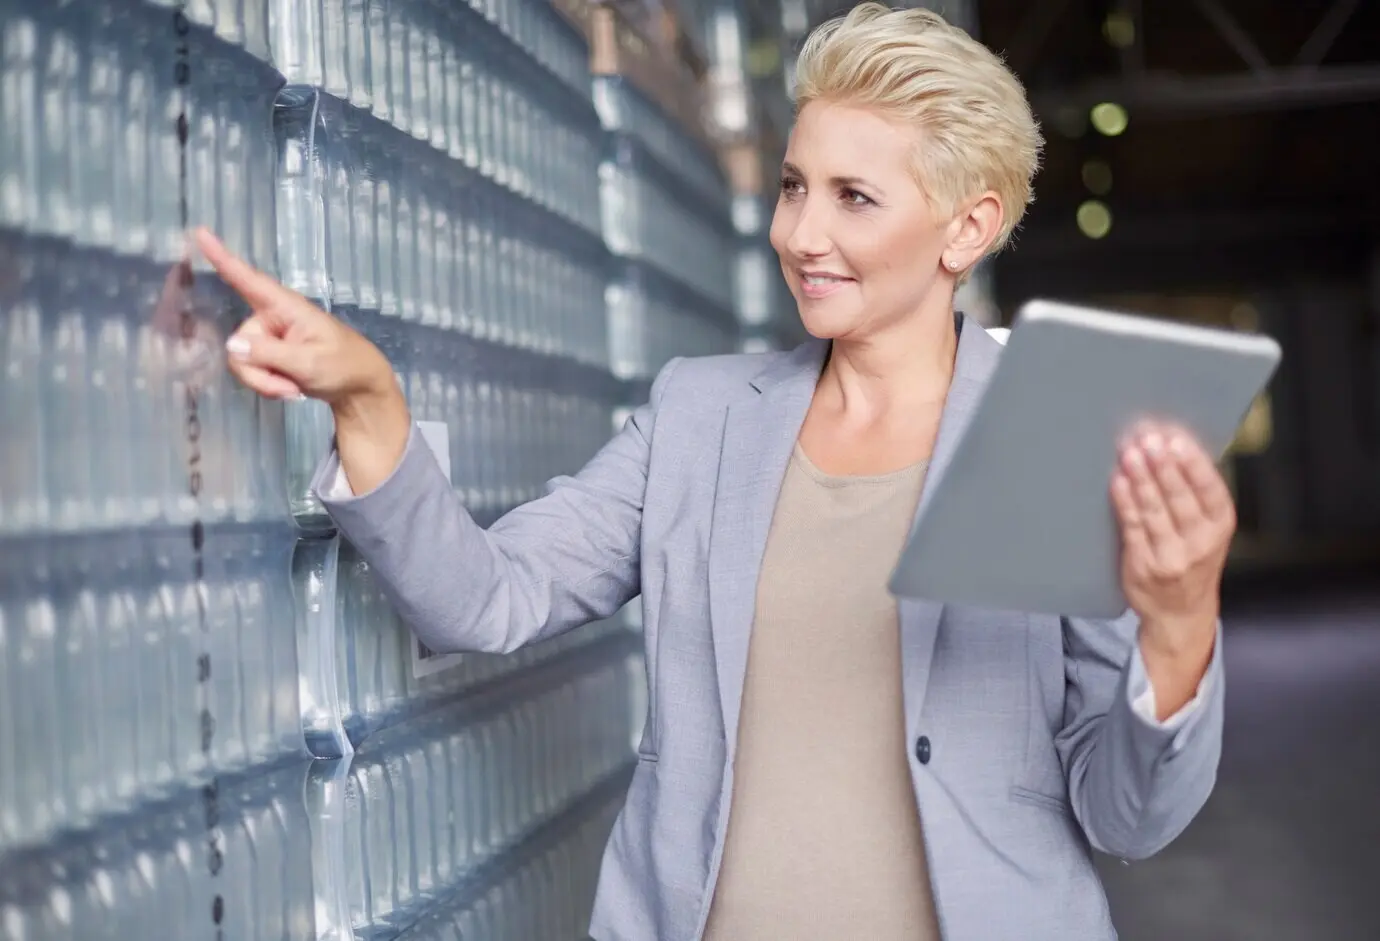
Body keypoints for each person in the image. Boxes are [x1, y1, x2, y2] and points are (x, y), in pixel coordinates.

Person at [201, 4, 1231, 939]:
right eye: (794, 187)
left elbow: (1124, 810)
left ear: (970, 226)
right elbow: (487, 598)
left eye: (854, 198)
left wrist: (1178, 627)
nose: (802, 234)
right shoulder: (700, 417)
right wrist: (369, 397)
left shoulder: (1054, 433)